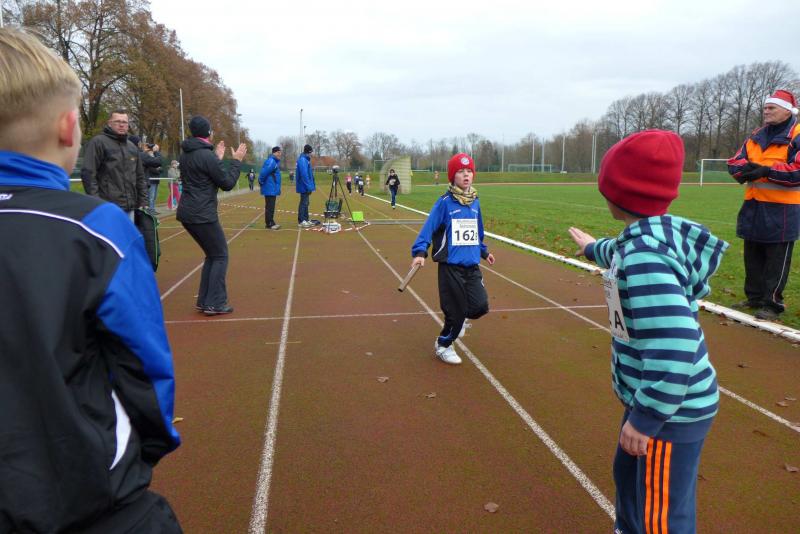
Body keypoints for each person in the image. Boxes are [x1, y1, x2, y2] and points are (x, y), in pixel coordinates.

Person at [0, 28, 182, 532]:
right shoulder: (97, 230)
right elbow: (145, 366)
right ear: (68, 126)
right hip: (83, 495)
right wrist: (144, 452)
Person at [568, 130, 728, 534]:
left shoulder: (644, 259)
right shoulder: (649, 238)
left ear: (617, 193)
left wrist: (646, 419)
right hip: (652, 395)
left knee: (663, 516)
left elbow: (676, 344)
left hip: (669, 408)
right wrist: (592, 248)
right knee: (627, 477)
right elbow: (619, 249)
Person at [410, 153, 495, 365]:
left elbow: (477, 232)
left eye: (469, 171)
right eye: (460, 172)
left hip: (472, 266)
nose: (466, 175)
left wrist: (484, 252)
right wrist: (420, 252)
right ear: (452, 176)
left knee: (480, 306)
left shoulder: (475, 202)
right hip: (451, 267)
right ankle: (444, 345)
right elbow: (428, 228)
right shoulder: (444, 203)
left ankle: (460, 319)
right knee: (455, 314)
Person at [727, 89, 800, 321]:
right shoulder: (756, 135)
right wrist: (744, 170)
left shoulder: (797, 134)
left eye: (771, 108)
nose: (766, 111)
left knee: (776, 261)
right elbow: (735, 161)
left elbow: (797, 171)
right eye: (765, 108)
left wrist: (767, 171)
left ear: (787, 110)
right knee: (753, 256)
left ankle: (772, 304)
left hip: (783, 209)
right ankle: (755, 298)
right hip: (753, 205)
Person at [177, 115, 247, 315]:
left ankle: (205, 301)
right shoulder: (206, 156)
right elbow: (227, 183)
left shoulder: (186, 154)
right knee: (220, 255)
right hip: (202, 213)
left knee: (212, 255)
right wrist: (236, 161)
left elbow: (203, 175)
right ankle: (215, 302)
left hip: (188, 212)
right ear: (208, 132)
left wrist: (217, 158)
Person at [80, 108, 147, 220]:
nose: (121, 125)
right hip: (107, 208)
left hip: (130, 207)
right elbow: (88, 173)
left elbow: (140, 176)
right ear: (109, 123)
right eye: (117, 121)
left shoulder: (132, 147)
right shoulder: (98, 142)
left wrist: (143, 201)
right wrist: (97, 202)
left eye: (124, 122)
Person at [259, 146, 282, 230]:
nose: (280, 154)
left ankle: (271, 222)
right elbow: (263, 173)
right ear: (274, 153)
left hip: (272, 188)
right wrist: (261, 182)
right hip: (270, 188)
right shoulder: (271, 161)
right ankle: (269, 223)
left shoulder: (274, 162)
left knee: (271, 206)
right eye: (278, 152)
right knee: (270, 206)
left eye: (280, 152)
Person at [295, 144, 315, 227]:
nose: (312, 154)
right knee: (303, 203)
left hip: (305, 185)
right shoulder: (303, 160)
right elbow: (304, 174)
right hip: (303, 185)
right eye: (311, 152)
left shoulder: (306, 160)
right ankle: (301, 220)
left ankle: (306, 219)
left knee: (306, 203)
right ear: (309, 152)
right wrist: (308, 186)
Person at [142, 142, 163, 212]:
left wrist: (158, 169)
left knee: (154, 196)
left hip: (156, 180)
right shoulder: (147, 157)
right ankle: (150, 209)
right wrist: (157, 169)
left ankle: (152, 208)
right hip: (151, 180)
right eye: (156, 148)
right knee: (151, 196)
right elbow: (151, 169)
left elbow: (161, 168)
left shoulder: (155, 157)